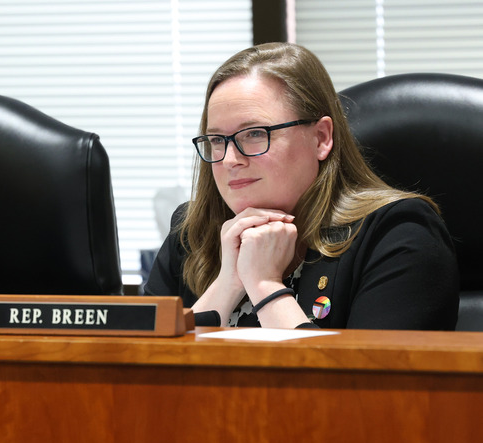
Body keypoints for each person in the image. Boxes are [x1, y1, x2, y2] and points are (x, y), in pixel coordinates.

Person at [144, 42, 459, 330]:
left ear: (321, 138)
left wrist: (265, 285)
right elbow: (142, 365)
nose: (229, 159)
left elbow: (360, 375)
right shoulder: (191, 234)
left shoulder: (399, 233)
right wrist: (228, 284)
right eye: (216, 140)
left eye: (254, 134)